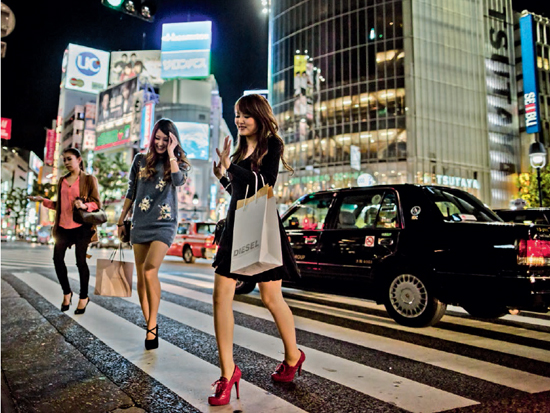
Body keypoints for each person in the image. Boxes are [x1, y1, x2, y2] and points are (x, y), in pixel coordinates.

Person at [209, 94, 304, 406]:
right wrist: (222, 174)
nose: (239, 120)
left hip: (261, 226)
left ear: (259, 116)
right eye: (237, 114)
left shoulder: (271, 143)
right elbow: (238, 191)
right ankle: (228, 373)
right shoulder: (238, 150)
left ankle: (293, 356)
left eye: (245, 115)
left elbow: (266, 182)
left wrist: (231, 170)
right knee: (221, 295)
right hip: (237, 225)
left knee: (270, 297)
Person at [116, 119, 190, 350]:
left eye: (165, 140)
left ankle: (152, 324)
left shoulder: (178, 163)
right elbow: (131, 191)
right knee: (141, 275)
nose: (159, 143)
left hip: (165, 224)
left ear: (172, 140)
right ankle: (150, 325)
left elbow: (178, 181)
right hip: (140, 223)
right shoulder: (140, 160)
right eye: (157, 138)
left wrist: (171, 154)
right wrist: (121, 219)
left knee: (150, 270)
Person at [28, 148, 100, 315]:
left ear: (79, 159)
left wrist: (84, 205)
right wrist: (43, 201)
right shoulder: (62, 180)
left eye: (69, 159)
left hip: (81, 227)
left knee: (80, 261)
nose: (66, 162)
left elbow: (97, 203)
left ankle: (84, 297)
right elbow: (59, 205)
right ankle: (67, 292)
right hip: (62, 227)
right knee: (57, 259)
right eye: (64, 160)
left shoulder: (89, 179)